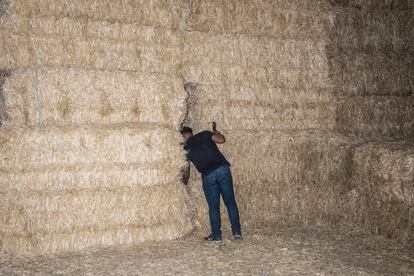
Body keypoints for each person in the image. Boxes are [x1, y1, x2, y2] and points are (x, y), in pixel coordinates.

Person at [180, 126, 242, 243]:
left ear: (183, 136)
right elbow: (221, 140)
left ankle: (216, 236)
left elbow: (185, 170)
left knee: (214, 206)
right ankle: (237, 233)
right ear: (191, 133)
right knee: (230, 202)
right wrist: (218, 133)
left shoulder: (185, 148)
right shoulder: (204, 134)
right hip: (222, 169)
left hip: (208, 176)